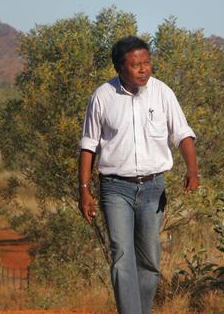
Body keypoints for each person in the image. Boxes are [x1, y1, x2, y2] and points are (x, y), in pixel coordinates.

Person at [78, 36, 199, 314]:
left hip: (153, 189)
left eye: (147, 63)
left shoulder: (162, 93)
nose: (144, 69)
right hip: (114, 188)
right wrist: (84, 188)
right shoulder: (102, 97)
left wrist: (193, 170)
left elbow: (182, 133)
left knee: (150, 260)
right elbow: (88, 145)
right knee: (121, 256)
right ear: (120, 68)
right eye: (136, 65)